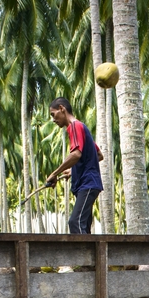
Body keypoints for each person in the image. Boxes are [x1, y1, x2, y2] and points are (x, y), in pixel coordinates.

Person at [44, 98, 104, 235]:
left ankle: (81, 257)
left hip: (88, 184)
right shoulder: (81, 128)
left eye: (53, 114)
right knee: (84, 226)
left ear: (62, 108)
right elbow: (98, 155)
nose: (53, 120)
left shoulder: (75, 126)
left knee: (75, 222)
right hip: (88, 183)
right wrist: (73, 170)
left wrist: (55, 173)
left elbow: (76, 154)